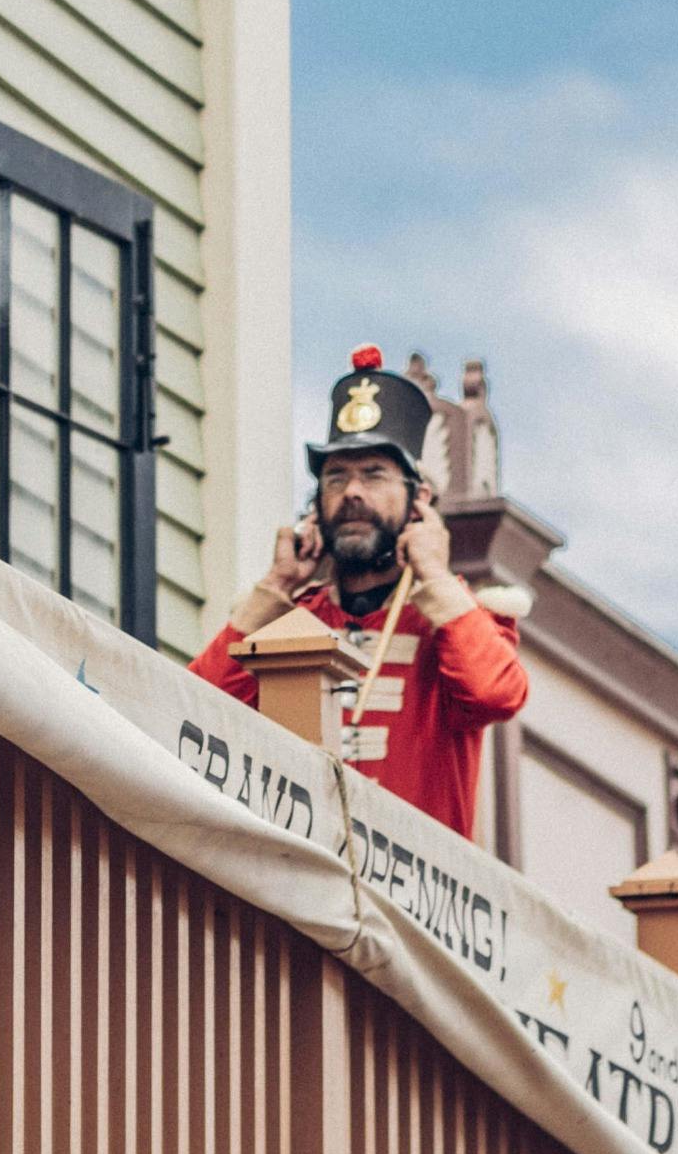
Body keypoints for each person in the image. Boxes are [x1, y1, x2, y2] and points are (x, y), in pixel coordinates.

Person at [193, 345, 529, 839]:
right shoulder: (290, 621)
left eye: (373, 474)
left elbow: (495, 694)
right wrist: (275, 588)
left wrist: (435, 578)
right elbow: (196, 710)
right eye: (336, 477)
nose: (352, 492)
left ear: (419, 501)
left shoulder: (456, 621)